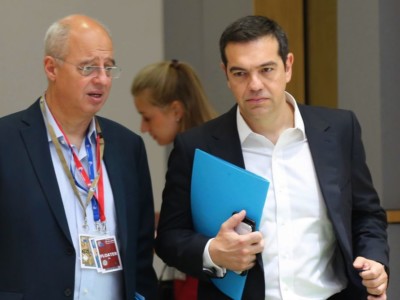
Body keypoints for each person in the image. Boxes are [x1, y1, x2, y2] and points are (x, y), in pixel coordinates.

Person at [155, 15, 389, 300]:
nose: (254, 84)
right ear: (226, 74)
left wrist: (374, 259)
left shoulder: (339, 130)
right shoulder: (197, 146)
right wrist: (213, 252)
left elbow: (366, 214)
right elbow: (169, 238)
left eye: (266, 69)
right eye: (240, 73)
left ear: (288, 66)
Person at [0, 14, 157, 299]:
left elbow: (141, 253)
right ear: (51, 68)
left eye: (109, 67)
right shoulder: (6, 142)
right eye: (88, 67)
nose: (102, 79)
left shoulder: (126, 147)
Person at [131, 60, 217, 300]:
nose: (143, 127)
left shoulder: (196, 155)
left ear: (176, 111)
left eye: (147, 117)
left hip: (202, 287)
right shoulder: (214, 145)